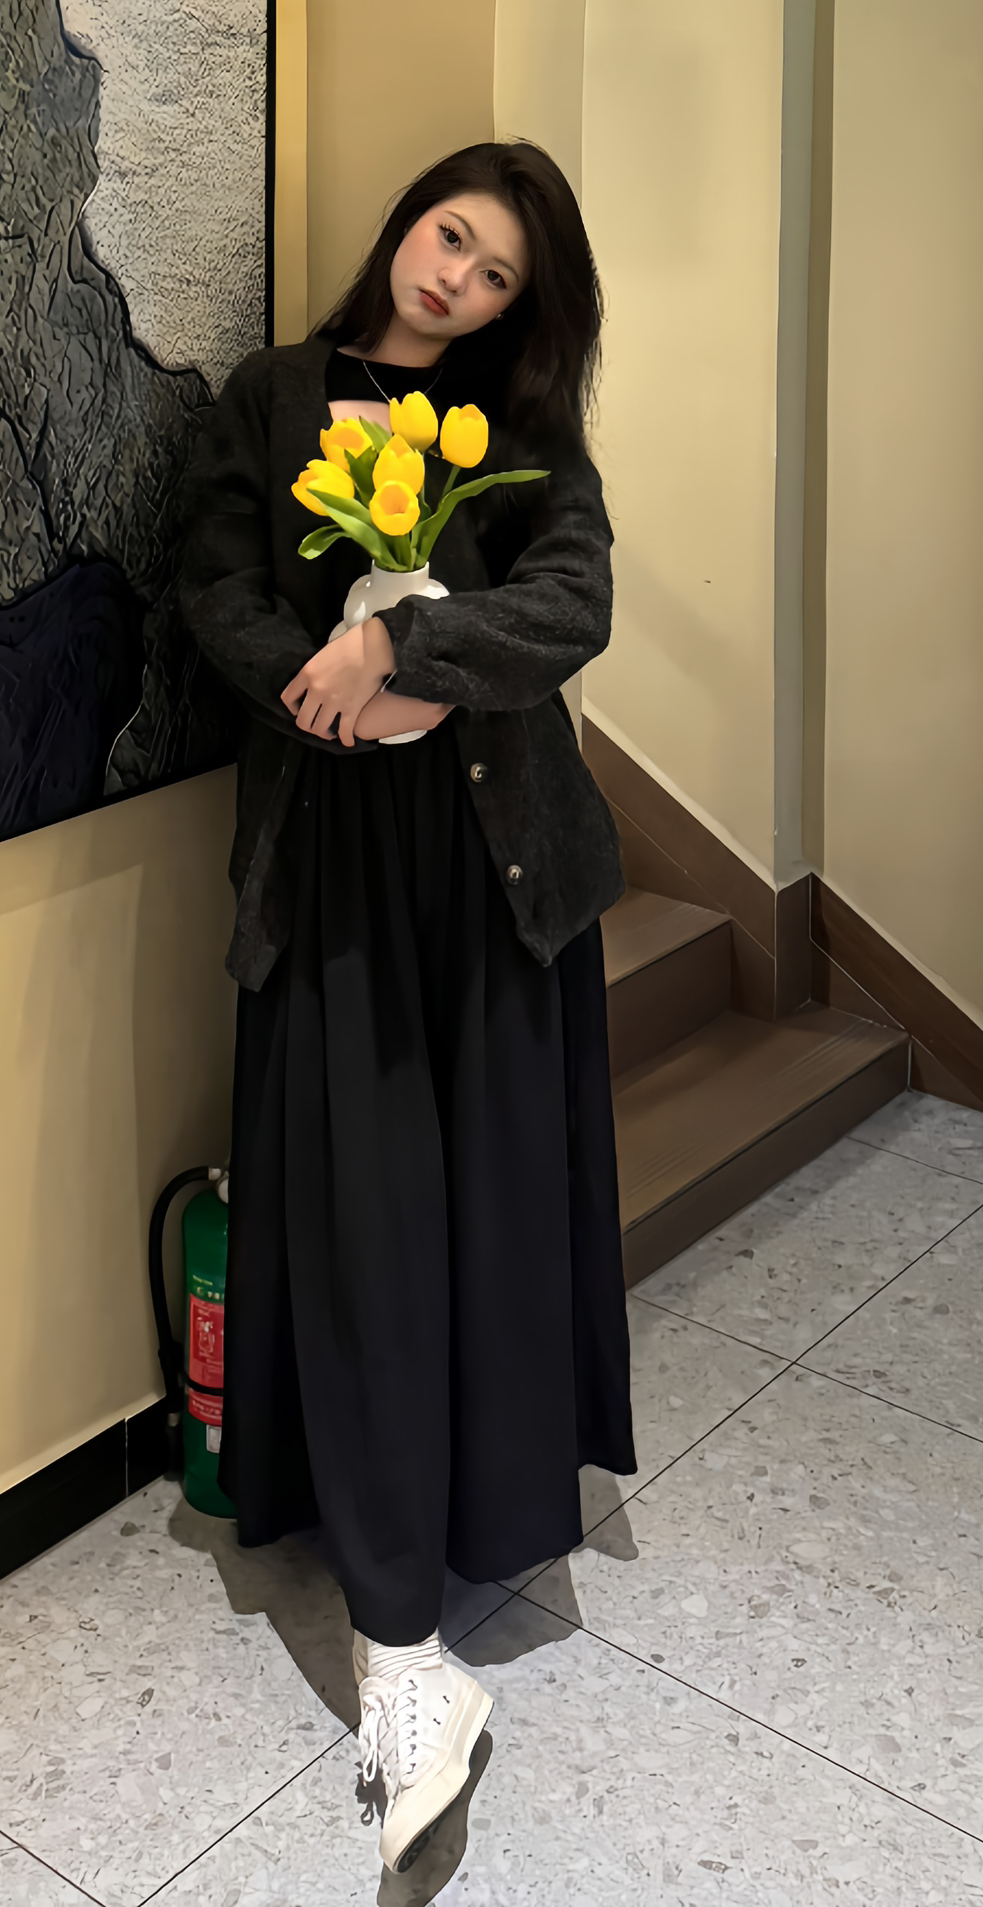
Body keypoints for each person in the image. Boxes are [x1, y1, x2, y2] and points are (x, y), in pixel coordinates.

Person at [179, 139, 633, 1871]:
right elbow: (213, 583)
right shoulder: (273, 396)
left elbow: (572, 601)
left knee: (489, 1212)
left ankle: (475, 1519)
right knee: (367, 1218)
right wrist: (328, 687)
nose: (456, 279)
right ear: (405, 224)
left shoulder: (517, 431)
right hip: (338, 869)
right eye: (451, 237)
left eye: (497, 273)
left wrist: (412, 655)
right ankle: (402, 1649)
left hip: (498, 873)